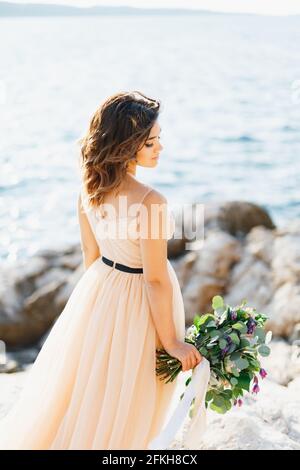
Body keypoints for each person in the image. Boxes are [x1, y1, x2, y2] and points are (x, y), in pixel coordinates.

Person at [0, 90, 201, 450]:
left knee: (95, 390)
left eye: (159, 140)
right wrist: (171, 341)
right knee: (131, 395)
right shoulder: (151, 201)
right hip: (140, 302)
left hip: (102, 290)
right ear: (128, 145)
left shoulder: (88, 191)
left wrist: (99, 310)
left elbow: (91, 255)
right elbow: (154, 278)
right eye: (151, 142)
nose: (160, 148)